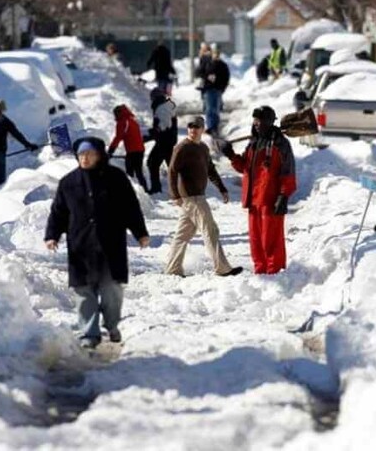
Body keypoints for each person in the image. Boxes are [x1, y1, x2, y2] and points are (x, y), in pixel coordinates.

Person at [44, 137, 150, 348]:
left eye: (89, 154)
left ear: (100, 155)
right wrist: (52, 235)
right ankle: (89, 333)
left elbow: (131, 207)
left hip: (110, 244)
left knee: (111, 290)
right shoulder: (69, 182)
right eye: (81, 155)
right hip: (80, 245)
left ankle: (111, 324)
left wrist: (140, 233)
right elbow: (58, 212)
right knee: (84, 291)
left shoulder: (116, 178)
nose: (84, 158)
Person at [221, 106, 295, 274]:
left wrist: (283, 195)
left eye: (259, 121)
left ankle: (274, 273)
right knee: (256, 241)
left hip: (271, 199)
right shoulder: (254, 143)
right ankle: (260, 271)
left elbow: (288, 172)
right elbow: (244, 167)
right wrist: (231, 154)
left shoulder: (280, 143)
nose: (256, 125)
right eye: (254, 121)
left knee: (271, 239)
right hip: (253, 199)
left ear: (269, 122)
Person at [165, 116, 243, 278]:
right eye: (191, 127)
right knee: (210, 229)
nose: (193, 130)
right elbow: (172, 171)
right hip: (191, 196)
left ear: (202, 129)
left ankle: (173, 269)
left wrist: (222, 188)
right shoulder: (182, 147)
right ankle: (222, 268)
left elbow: (210, 169)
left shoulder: (203, 148)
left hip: (198, 195)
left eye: (197, 127)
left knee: (183, 234)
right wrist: (175, 195)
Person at [146, 87, 178, 194]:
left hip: (164, 141)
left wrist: (155, 131)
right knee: (172, 165)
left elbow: (164, 124)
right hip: (168, 139)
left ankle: (156, 188)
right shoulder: (166, 106)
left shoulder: (161, 107)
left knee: (152, 163)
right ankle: (182, 188)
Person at [108, 104, 147, 190]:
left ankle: (132, 191)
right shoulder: (131, 120)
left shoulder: (122, 122)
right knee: (139, 172)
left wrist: (111, 151)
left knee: (130, 172)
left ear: (118, 113)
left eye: (115, 114)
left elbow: (118, 137)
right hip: (139, 149)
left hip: (133, 150)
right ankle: (145, 190)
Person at [198, 44, 230, 135]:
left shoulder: (222, 65)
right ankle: (211, 127)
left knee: (214, 109)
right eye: (214, 52)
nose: (216, 54)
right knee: (210, 109)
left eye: (217, 53)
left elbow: (226, 77)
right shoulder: (208, 63)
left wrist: (222, 87)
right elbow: (200, 72)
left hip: (216, 89)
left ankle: (213, 127)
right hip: (208, 89)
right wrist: (206, 77)